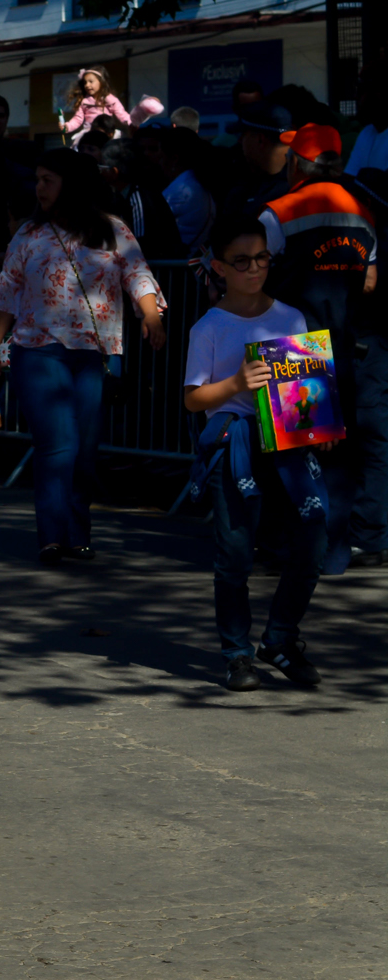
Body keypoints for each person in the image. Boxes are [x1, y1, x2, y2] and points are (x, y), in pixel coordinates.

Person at [0, 149, 165, 565]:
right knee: (58, 444)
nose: (39, 188)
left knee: (84, 448)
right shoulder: (29, 234)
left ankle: (77, 534)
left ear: (73, 183)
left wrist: (152, 316)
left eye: (48, 179)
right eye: (38, 179)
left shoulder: (113, 230)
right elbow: (6, 294)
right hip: (37, 351)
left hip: (91, 356)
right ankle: (51, 537)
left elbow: (139, 275)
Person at [182, 213, 324, 691]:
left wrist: (320, 420)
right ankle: (237, 652)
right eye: (241, 261)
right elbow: (193, 397)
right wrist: (236, 384)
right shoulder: (210, 327)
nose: (254, 269)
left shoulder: (290, 317)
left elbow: (305, 391)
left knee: (313, 536)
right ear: (219, 267)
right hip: (237, 442)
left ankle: (280, 639)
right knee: (237, 551)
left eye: (261, 257)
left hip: (286, 441)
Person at [256, 125, 382, 571]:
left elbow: (255, 278)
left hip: (292, 346)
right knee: (340, 461)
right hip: (343, 344)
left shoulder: (277, 213)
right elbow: (369, 282)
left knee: (291, 456)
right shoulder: (363, 212)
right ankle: (332, 552)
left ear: (298, 163)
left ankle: (287, 550)